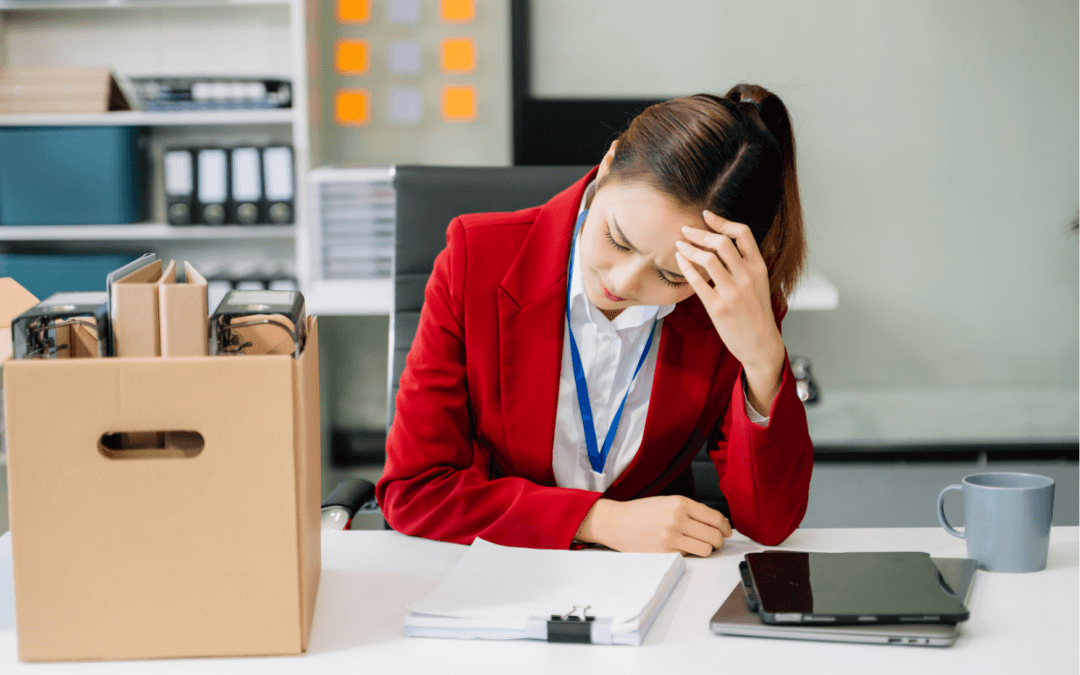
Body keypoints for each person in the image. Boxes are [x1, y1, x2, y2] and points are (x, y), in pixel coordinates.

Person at [375, 84, 814, 556]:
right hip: (504, 564)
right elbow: (416, 489)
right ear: (608, 165)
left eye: (671, 274)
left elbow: (770, 524)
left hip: (654, 588)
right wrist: (595, 519)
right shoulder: (475, 260)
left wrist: (763, 360)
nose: (624, 282)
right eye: (618, 239)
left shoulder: (725, 303)